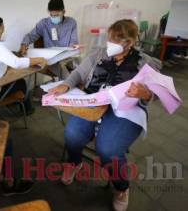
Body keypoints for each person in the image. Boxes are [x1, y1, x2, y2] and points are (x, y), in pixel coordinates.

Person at [48, 19, 161, 211]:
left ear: (130, 42)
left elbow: (158, 93)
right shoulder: (98, 54)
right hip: (94, 103)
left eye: (118, 41)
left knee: (108, 150)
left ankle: (121, 187)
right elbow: (78, 74)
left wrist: (146, 94)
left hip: (125, 110)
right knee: (72, 134)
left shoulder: (145, 63)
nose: (111, 44)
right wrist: (66, 84)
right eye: (110, 39)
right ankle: (74, 162)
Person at [0, 15, 47, 115]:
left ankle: (14, 103)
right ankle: (26, 110)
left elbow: (0, 57)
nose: (3, 32)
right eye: (2, 29)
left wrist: (16, 54)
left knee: (14, 79)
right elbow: (16, 63)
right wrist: (40, 59)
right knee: (21, 82)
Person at [19, 0, 81, 79]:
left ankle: (71, 83)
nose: (54, 17)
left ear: (63, 12)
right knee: (65, 73)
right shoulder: (44, 23)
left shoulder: (71, 22)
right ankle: (67, 84)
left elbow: (73, 41)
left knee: (80, 67)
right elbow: (31, 35)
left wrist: (72, 48)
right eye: (52, 15)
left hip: (66, 56)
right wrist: (24, 44)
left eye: (57, 15)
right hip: (51, 58)